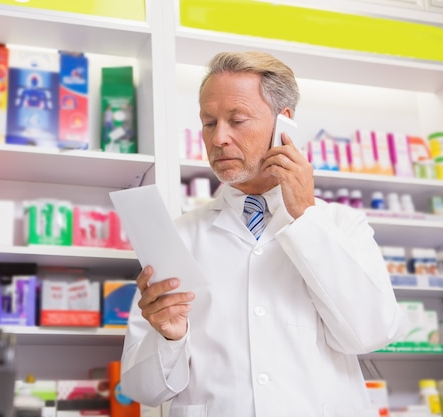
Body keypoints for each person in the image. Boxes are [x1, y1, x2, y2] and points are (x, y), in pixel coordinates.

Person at [119, 51, 405, 417]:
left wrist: (304, 217)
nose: (219, 138)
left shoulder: (342, 225)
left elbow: (371, 333)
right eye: (208, 122)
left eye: (237, 120)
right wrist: (169, 338)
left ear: (283, 125)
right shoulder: (179, 236)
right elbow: (143, 390)